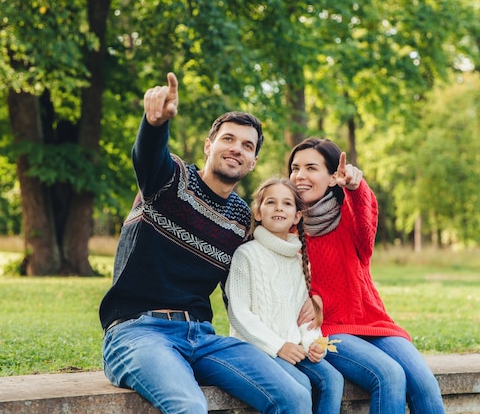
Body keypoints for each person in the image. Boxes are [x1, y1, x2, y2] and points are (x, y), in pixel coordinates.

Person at [99, 72, 313, 414]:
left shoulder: (243, 218)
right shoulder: (170, 181)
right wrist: (154, 125)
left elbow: (270, 263)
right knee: (190, 407)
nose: (236, 149)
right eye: (228, 139)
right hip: (138, 333)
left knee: (297, 396)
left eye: (247, 146)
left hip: (202, 338)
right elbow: (147, 157)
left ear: (253, 161)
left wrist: (312, 299)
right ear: (208, 145)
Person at [289, 138, 445, 414]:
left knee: (424, 384)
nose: (300, 176)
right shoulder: (288, 227)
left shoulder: (348, 218)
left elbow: (366, 216)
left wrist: (355, 186)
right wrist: (313, 298)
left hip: (373, 322)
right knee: (389, 376)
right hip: (328, 329)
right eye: (295, 168)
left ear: (332, 176)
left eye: (311, 168)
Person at [225, 177, 344, 414]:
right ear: (258, 212)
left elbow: (304, 315)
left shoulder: (299, 261)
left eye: (287, 204)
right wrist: (279, 346)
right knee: (299, 385)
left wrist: (312, 344)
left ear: (297, 216)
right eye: (271, 202)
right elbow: (239, 313)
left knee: (333, 380)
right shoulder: (246, 255)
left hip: (293, 349)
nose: (279, 208)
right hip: (258, 349)